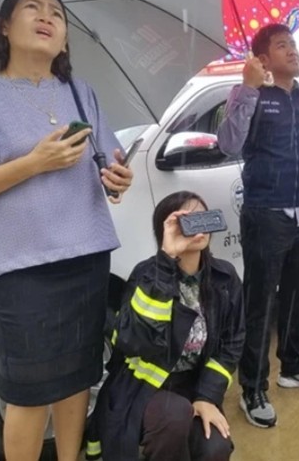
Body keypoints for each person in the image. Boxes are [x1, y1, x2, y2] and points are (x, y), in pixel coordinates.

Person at [0, 0, 132, 461]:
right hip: (19, 265)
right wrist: (34, 163)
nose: (47, 17)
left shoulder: (79, 92)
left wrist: (118, 179)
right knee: (27, 392)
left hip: (87, 255)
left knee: (78, 377)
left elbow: (108, 164)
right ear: (5, 26)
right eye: (32, 7)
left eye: (57, 14)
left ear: (65, 38)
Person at [217, 24, 299, 428]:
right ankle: (252, 387)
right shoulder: (249, 95)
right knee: (261, 303)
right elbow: (229, 144)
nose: (293, 50)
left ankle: (293, 366)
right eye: (282, 45)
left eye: (294, 44)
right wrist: (249, 88)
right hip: (266, 215)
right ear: (263, 59)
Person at [86, 191, 244, 461]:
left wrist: (207, 397)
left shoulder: (224, 277)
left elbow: (232, 342)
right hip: (142, 385)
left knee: (215, 447)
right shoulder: (147, 275)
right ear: (167, 230)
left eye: (203, 217)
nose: (198, 227)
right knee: (174, 417)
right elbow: (133, 340)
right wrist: (167, 259)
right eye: (186, 221)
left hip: (192, 384)